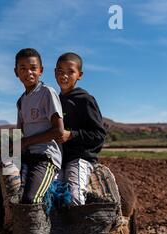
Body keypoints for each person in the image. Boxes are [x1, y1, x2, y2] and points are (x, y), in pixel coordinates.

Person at [54, 52, 107, 205]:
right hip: (58, 159)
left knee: (74, 197)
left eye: (70, 72)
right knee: (49, 195)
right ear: (54, 72)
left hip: (79, 158)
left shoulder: (85, 100)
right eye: (60, 71)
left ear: (80, 75)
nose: (64, 76)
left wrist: (71, 135)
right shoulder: (54, 101)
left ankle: (81, 228)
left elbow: (98, 135)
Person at [14, 48, 64, 204]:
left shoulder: (47, 92)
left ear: (40, 71)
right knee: (7, 191)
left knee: (31, 199)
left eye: (33, 68)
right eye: (23, 68)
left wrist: (27, 142)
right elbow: (20, 133)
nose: (29, 72)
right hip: (28, 156)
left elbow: (58, 131)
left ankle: (41, 228)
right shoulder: (21, 101)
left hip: (46, 157)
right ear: (16, 72)